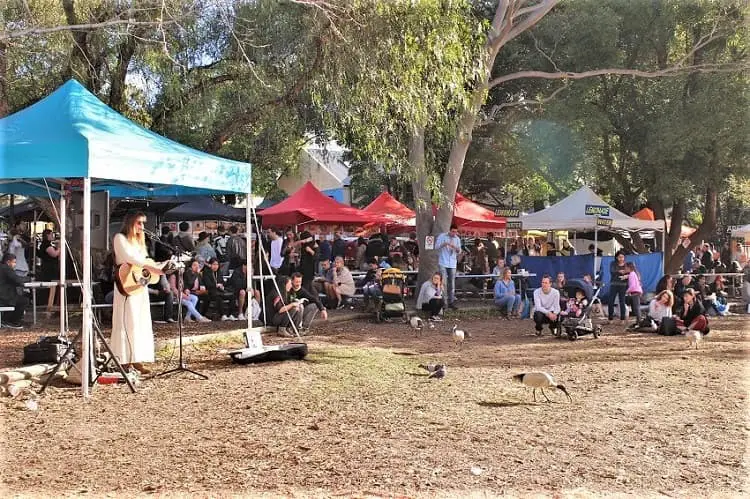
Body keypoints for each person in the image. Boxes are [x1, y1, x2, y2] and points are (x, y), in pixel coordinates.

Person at [111, 212, 165, 374]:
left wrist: (160, 266)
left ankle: (137, 359)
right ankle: (123, 359)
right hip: (126, 283)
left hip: (139, 284)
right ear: (130, 223)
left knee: (140, 322)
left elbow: (145, 261)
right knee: (126, 321)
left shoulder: (140, 242)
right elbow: (130, 258)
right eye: (139, 223)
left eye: (143, 223)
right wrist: (151, 267)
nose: (142, 227)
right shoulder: (119, 238)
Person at [436, 225, 461, 310]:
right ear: (449, 230)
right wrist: (444, 244)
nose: (454, 233)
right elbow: (436, 246)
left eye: (455, 232)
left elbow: (459, 251)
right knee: (444, 282)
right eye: (453, 231)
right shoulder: (442, 236)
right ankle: (444, 302)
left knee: (452, 283)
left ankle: (451, 302)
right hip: (443, 261)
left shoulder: (457, 239)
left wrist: (456, 248)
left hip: (453, 263)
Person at [0, 253, 27, 328]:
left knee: (19, 299)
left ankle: (6, 319)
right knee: (23, 301)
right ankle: (11, 321)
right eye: (14, 262)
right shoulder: (6, 268)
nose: (15, 264)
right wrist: (28, 279)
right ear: (8, 262)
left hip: (3, 295)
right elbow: (17, 279)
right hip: (4, 297)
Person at [38, 229, 61, 313]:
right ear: (47, 235)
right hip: (49, 268)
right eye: (51, 234)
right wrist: (59, 248)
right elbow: (54, 254)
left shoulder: (48, 244)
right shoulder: (46, 245)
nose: (52, 236)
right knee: (51, 284)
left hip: (50, 267)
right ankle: (49, 304)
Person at [608, 251, 629, 324]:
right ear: (616, 257)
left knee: (622, 302)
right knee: (610, 301)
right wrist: (621, 272)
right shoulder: (613, 264)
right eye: (619, 257)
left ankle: (622, 319)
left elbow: (632, 273)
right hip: (614, 285)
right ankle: (610, 319)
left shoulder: (627, 265)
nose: (621, 259)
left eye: (622, 257)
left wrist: (626, 276)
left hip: (623, 286)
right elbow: (612, 271)